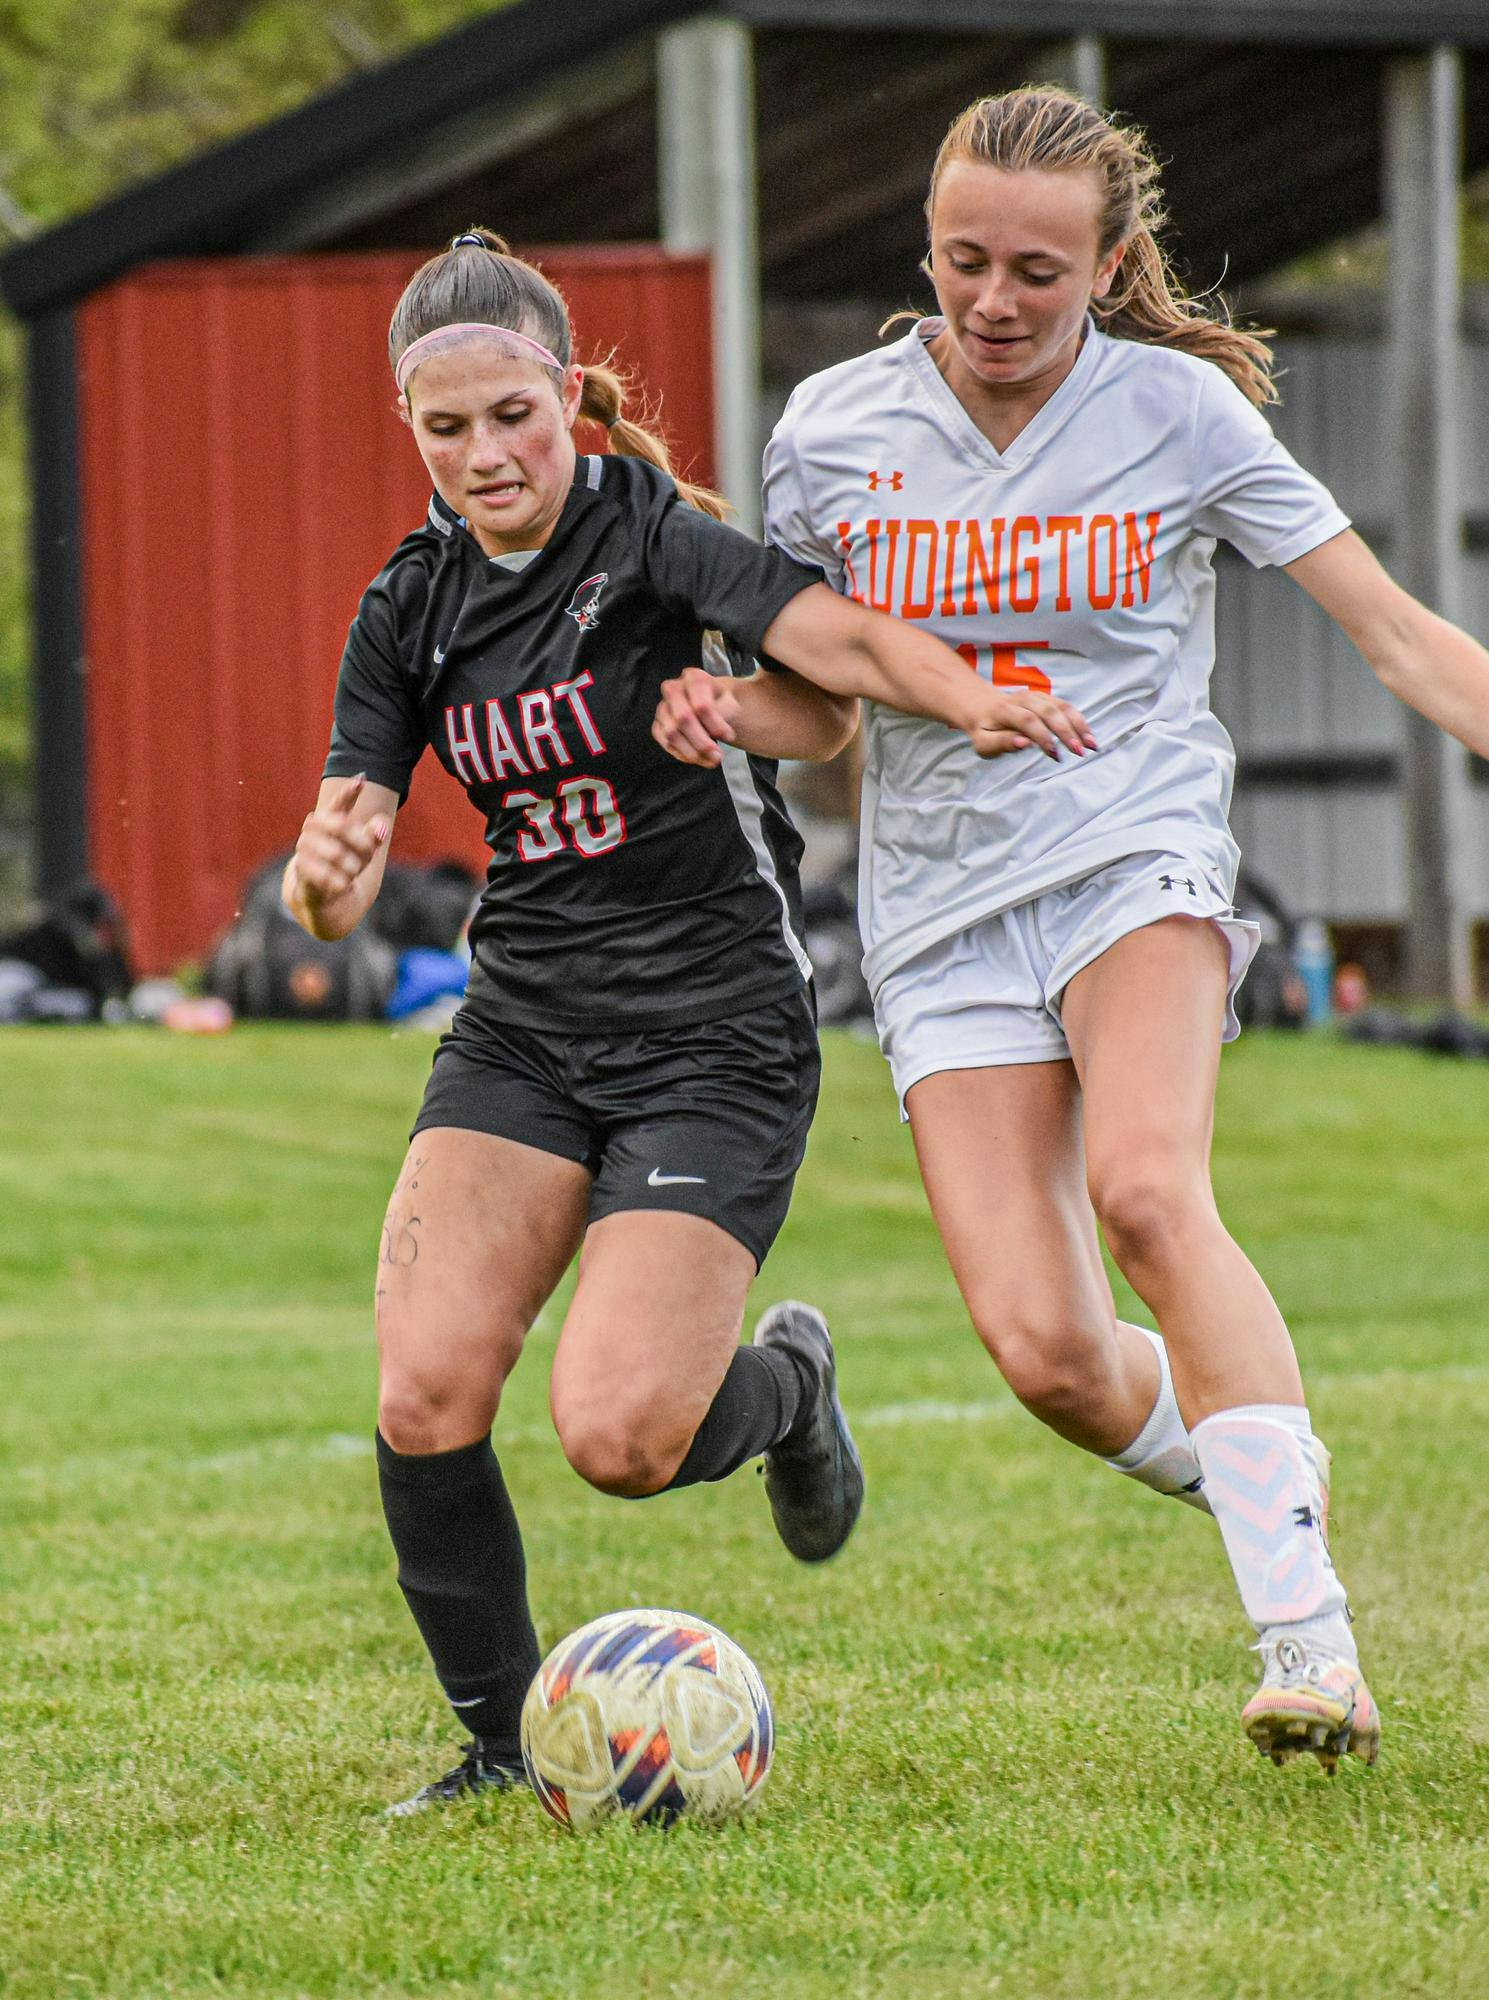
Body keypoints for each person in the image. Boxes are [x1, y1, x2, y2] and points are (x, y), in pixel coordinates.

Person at [662, 87, 1489, 1772]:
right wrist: (728, 715)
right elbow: (825, 717)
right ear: (928, 251)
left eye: (1037, 270)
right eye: (963, 260)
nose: (994, 300)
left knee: (1145, 1191)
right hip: (939, 913)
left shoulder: (1178, 416)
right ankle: (1278, 1498)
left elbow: (1397, 637)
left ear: (1108, 266)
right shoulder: (829, 430)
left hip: (1135, 855)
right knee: (1043, 1351)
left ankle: (1303, 1641)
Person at [283, 228, 1094, 1814]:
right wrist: (325, 879)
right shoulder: (410, 607)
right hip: (520, 1028)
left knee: (617, 1436)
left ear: (563, 399)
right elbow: (337, 864)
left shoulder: (648, 534)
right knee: (424, 1388)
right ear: (411, 429)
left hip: (710, 1037)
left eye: (510, 415)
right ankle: (505, 1748)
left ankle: (788, 1387)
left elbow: (835, 655)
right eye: (443, 430)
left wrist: (969, 688)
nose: (483, 455)